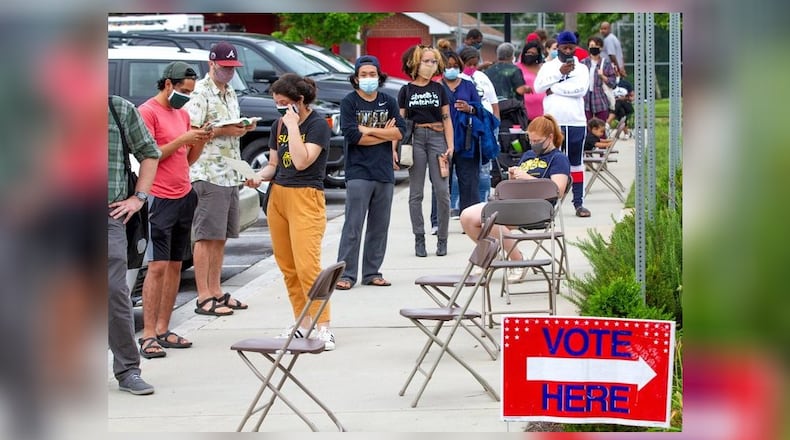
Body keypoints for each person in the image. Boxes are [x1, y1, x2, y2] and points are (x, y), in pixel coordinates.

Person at [254, 73, 334, 348]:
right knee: (287, 266)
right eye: (276, 102)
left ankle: (323, 325)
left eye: (284, 102)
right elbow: (275, 164)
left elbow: (301, 162)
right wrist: (258, 175)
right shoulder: (278, 124)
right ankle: (302, 321)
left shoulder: (316, 125)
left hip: (306, 195)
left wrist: (292, 127)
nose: (279, 107)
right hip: (279, 194)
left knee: (307, 265)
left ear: (300, 101)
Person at [136, 62, 210, 358]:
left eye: (190, 92)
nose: (185, 96)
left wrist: (200, 140)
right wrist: (182, 139)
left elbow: (187, 159)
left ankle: (165, 327)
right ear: (167, 84)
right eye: (182, 90)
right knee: (157, 266)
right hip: (158, 196)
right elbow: (149, 155)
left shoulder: (182, 114)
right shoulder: (147, 112)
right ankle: (148, 334)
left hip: (183, 192)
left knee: (177, 265)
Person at [185, 41, 257, 317]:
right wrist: (226, 129)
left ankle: (216, 291)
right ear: (211, 64)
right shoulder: (200, 93)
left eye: (232, 68)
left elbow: (232, 142)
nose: (228, 73)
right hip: (207, 172)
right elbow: (193, 133)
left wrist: (245, 171)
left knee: (221, 236)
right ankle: (204, 296)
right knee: (206, 236)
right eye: (224, 68)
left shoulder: (230, 93)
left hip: (228, 173)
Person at [459, 114, 569, 271]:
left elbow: (557, 190)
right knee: (467, 217)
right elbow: (515, 187)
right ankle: (492, 253)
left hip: (537, 209)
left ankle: (517, 261)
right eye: (530, 140)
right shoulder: (528, 156)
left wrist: (527, 178)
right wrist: (513, 178)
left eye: (537, 141)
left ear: (550, 137)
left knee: (491, 219)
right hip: (512, 203)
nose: (533, 144)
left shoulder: (558, 159)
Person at [335, 55, 405, 291]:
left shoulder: (389, 101)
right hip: (358, 172)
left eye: (372, 74)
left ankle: (372, 272)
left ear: (379, 76)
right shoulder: (349, 102)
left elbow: (399, 132)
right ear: (356, 78)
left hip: (384, 171)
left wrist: (368, 130)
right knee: (353, 225)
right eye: (363, 75)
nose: (368, 79)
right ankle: (346, 274)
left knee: (379, 226)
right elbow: (353, 136)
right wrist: (382, 133)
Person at [108, 95, 160, 395]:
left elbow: (149, 153)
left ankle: (128, 369)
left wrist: (138, 198)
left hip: (108, 215)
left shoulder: (119, 108)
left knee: (114, 292)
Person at [399, 44, 454, 257]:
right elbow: (402, 121)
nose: (430, 65)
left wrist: (451, 145)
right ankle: (419, 238)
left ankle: (442, 238)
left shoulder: (439, 89)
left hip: (437, 138)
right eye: (426, 61)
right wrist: (397, 148)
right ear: (415, 63)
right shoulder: (406, 90)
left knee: (442, 191)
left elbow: (446, 118)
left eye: (433, 61)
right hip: (416, 139)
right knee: (416, 192)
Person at [534, 30, 591, 218]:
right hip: (553, 121)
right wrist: (559, 74)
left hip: (575, 121)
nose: (567, 51)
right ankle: (549, 206)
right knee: (552, 162)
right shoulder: (548, 67)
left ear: (575, 48)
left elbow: (580, 90)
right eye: (564, 47)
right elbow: (538, 87)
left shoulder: (582, 69)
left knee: (576, 162)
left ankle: (578, 203)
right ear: (557, 47)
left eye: (571, 48)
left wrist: (555, 89)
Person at [581, 36, 618, 122]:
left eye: (596, 46)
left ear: (600, 48)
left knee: (601, 125)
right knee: (587, 125)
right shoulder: (583, 63)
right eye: (591, 46)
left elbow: (613, 83)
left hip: (600, 98)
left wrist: (603, 77)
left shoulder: (606, 63)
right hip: (585, 99)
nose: (593, 48)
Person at [515, 40, 547, 122]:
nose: (530, 55)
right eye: (528, 52)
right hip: (523, 111)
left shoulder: (544, 68)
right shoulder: (516, 67)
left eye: (533, 54)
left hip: (543, 112)